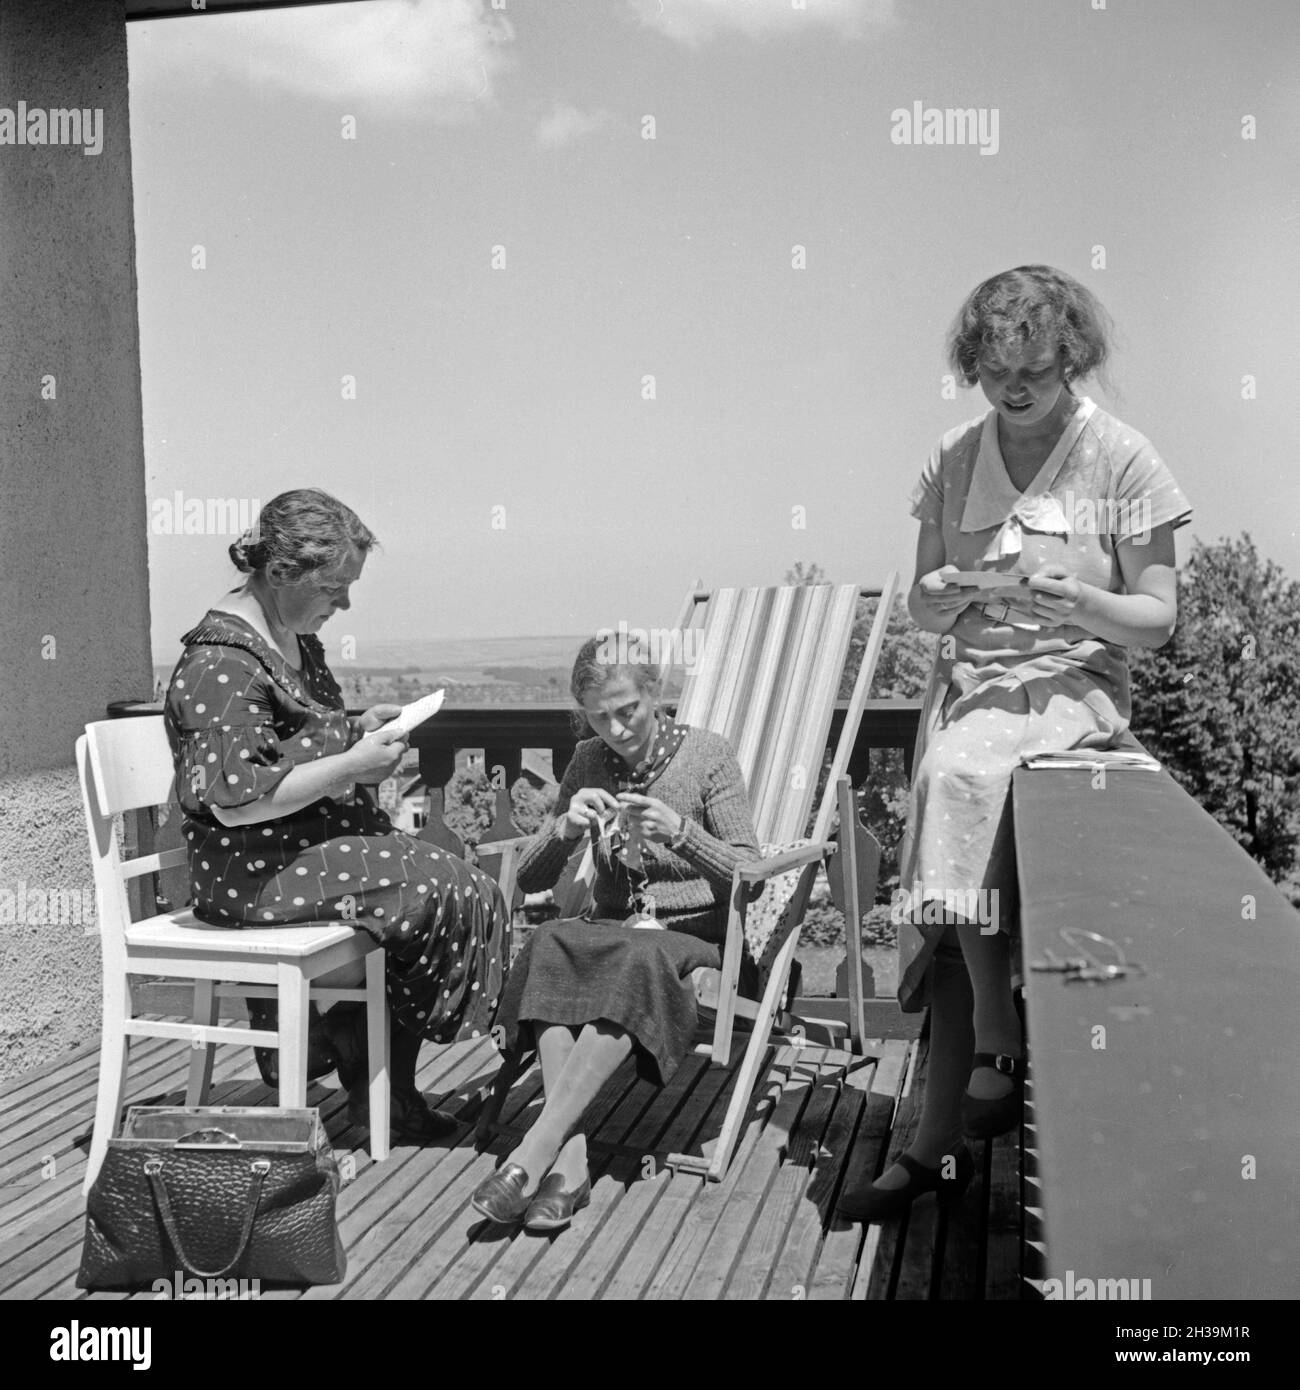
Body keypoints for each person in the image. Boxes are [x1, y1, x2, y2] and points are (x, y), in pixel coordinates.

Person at [838, 266, 1192, 1220]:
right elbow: (919, 603)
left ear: (1071, 354)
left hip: (1077, 687)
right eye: (996, 375)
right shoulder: (954, 458)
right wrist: (944, 596)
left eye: (1033, 369)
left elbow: (1157, 619)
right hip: (971, 693)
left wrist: (1086, 602)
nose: (1015, 390)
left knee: (976, 784)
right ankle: (986, 1054)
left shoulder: (1122, 460)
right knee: (957, 770)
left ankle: (994, 1082)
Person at [163, 488, 509, 1141]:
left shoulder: (290, 636)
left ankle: (347, 1060)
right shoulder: (220, 663)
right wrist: (353, 766)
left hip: (299, 849)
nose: (345, 603)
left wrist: (355, 733)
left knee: (443, 873)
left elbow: (286, 743)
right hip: (250, 871)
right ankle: (329, 1048)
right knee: (434, 889)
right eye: (337, 587)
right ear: (281, 570)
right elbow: (237, 805)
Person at [470, 641, 760, 1230]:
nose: (617, 727)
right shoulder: (588, 759)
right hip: (615, 930)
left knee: (631, 956)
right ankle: (569, 1163)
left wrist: (682, 834)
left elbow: (750, 875)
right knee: (550, 943)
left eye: (628, 709)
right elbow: (529, 880)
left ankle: (533, 1152)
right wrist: (564, 828)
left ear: (655, 695)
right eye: (599, 716)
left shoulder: (707, 755)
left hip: (696, 935)